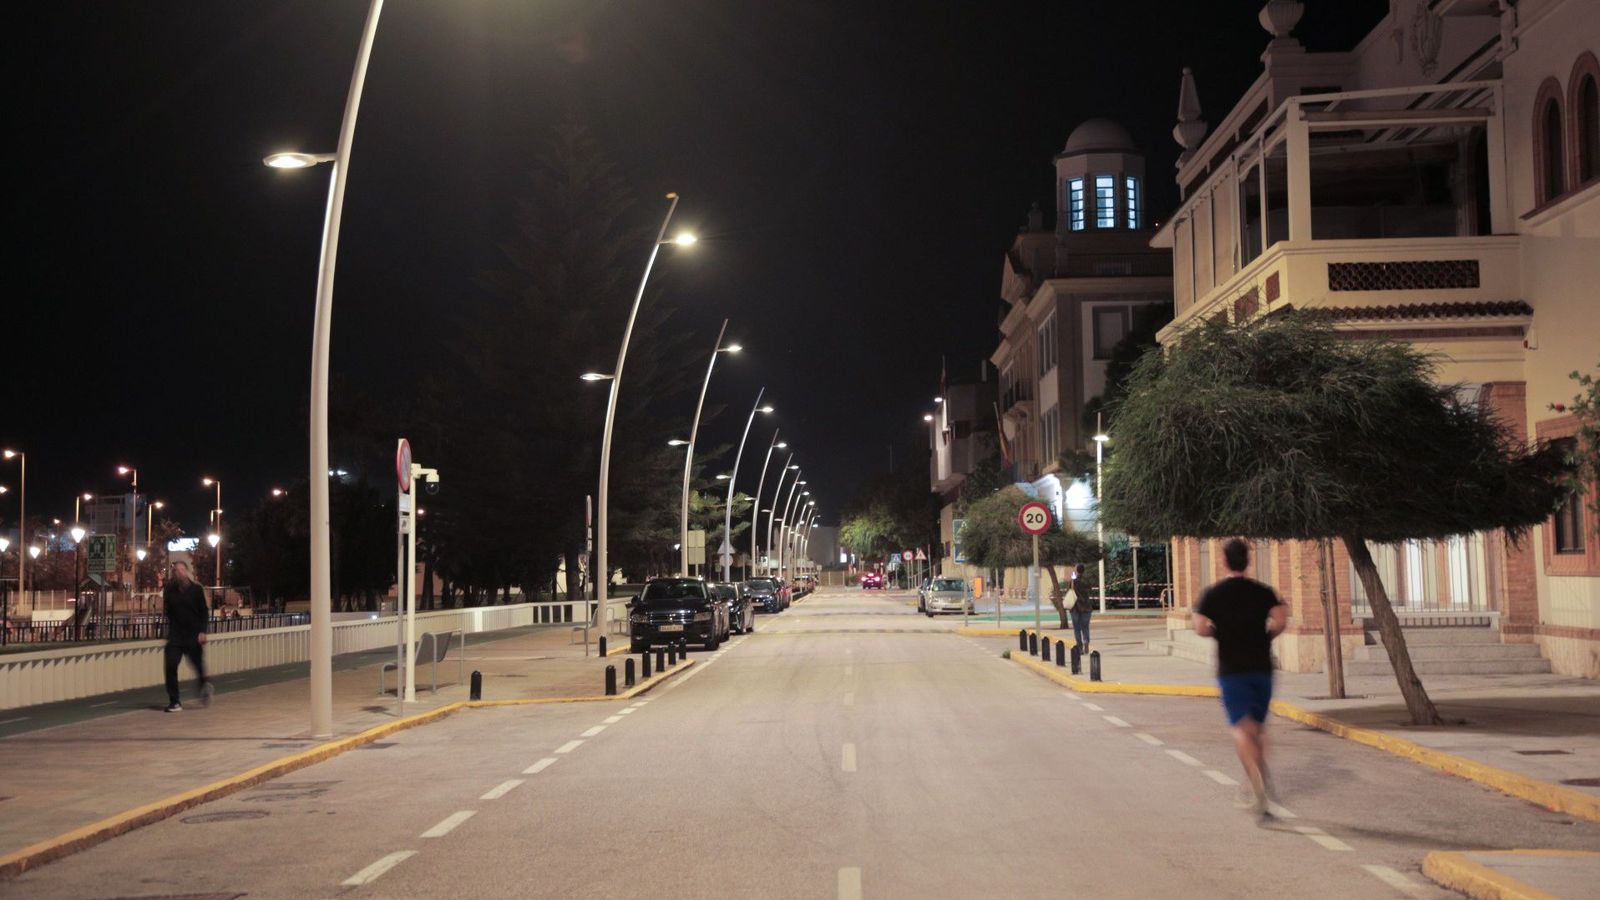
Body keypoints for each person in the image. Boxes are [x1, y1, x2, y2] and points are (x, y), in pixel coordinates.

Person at [1193, 538, 1287, 821]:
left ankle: (1256, 782)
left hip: (1232, 668)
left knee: (1240, 727)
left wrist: (1219, 633)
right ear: (1249, 560)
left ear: (1224, 561)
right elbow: (1281, 620)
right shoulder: (1263, 592)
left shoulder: (1213, 594)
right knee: (1258, 727)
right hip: (1262, 667)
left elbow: (1199, 627)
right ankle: (1255, 780)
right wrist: (1264, 637)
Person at [162, 561, 213, 712]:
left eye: (182, 570)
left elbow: (204, 611)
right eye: (176, 571)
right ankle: (174, 701)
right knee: (170, 666)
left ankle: (204, 685)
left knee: (198, 666)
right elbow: (168, 612)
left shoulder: (196, 589)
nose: (179, 573)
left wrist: (203, 631)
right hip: (176, 636)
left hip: (193, 635)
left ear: (187, 571)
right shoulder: (169, 590)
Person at [1069, 563, 1092, 651]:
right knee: (1085, 627)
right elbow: (1090, 590)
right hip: (1086, 607)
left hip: (1075, 608)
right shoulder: (1087, 580)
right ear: (1084, 570)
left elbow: (1070, 590)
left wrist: (1073, 578)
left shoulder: (1074, 581)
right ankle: (1086, 640)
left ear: (1077, 570)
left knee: (1077, 628)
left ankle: (1079, 646)